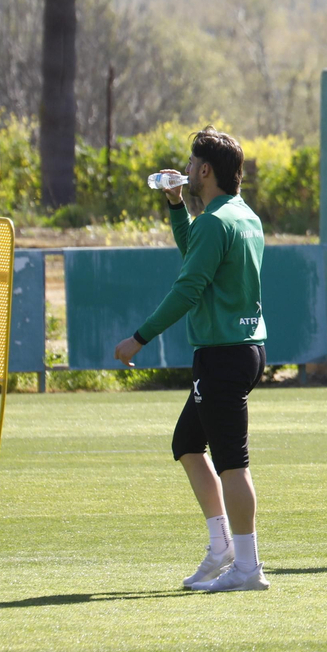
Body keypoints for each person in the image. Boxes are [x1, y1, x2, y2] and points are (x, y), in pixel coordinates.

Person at [113, 127, 270, 593]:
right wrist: (177, 206)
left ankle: (247, 566)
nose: (185, 170)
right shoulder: (244, 217)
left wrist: (138, 338)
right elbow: (197, 257)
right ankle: (222, 546)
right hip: (245, 349)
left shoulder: (215, 222)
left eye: (189, 164)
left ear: (204, 169)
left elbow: (188, 286)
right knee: (186, 443)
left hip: (221, 354)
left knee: (233, 464)